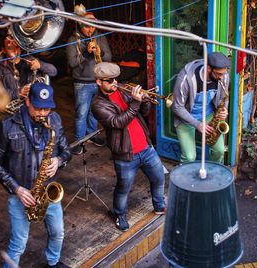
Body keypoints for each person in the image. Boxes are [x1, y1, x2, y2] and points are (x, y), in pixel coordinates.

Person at [0, 82, 71, 268]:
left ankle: (53, 262)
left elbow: (66, 150)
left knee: (58, 233)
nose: (43, 113)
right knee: (18, 244)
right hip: (21, 195)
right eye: (38, 108)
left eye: (47, 109)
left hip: (47, 191)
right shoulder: (7, 126)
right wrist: (16, 189)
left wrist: (58, 161)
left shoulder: (55, 120)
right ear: (27, 101)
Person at [91, 62, 166, 231]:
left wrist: (144, 101)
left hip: (146, 147)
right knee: (123, 188)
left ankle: (159, 205)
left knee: (159, 178)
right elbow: (117, 123)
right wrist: (135, 103)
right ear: (98, 82)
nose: (114, 83)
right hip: (125, 154)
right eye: (109, 81)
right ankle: (119, 214)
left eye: (115, 79)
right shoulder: (98, 105)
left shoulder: (123, 89)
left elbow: (143, 113)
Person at [171, 52, 231, 164]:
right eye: (218, 74)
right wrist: (197, 124)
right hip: (186, 118)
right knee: (189, 157)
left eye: (224, 74)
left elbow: (224, 98)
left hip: (208, 115)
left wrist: (224, 110)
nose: (222, 77)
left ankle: (215, 175)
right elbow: (177, 107)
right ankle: (184, 180)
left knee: (220, 151)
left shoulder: (223, 76)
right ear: (208, 68)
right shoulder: (186, 77)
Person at [66, 11, 111, 154]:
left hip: (97, 81)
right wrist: (86, 52)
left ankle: (92, 135)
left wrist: (100, 52)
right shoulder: (72, 41)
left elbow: (109, 57)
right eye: (86, 27)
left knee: (93, 112)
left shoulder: (100, 37)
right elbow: (72, 63)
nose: (90, 30)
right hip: (82, 82)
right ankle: (79, 140)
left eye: (92, 27)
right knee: (81, 113)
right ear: (80, 26)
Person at [0, 35, 58, 101]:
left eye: (17, 46)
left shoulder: (29, 58)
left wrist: (40, 65)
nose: (15, 51)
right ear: (3, 50)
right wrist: (17, 93)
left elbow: (54, 72)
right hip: (16, 106)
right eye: (10, 48)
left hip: (35, 101)